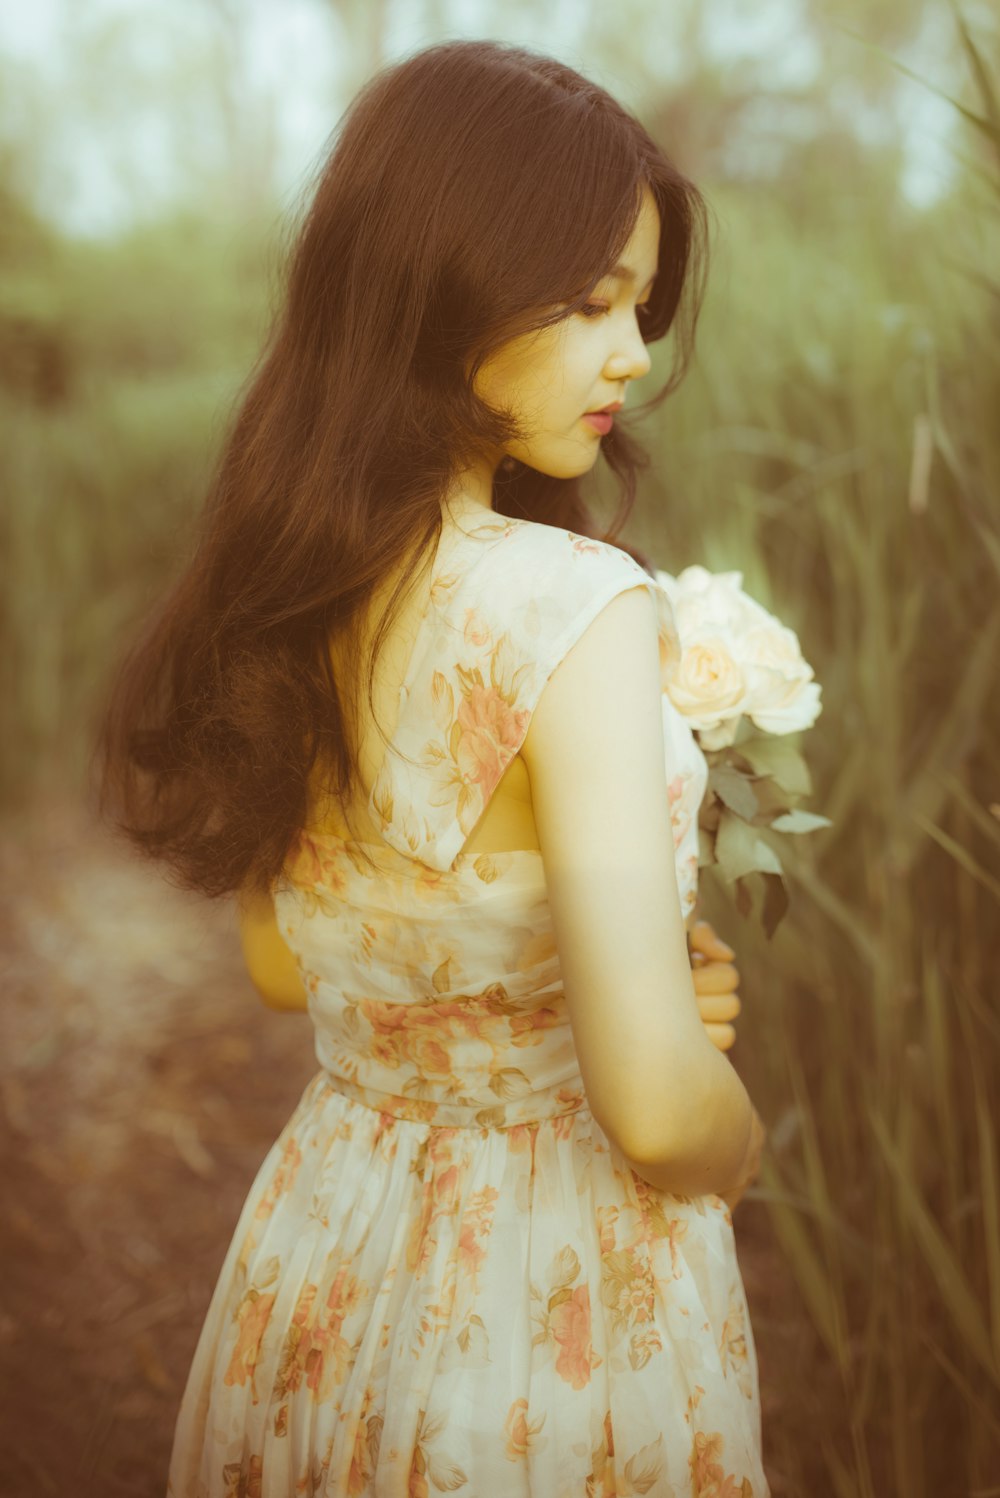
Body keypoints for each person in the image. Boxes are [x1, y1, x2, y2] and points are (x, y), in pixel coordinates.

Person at [94, 36, 768, 1497]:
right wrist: (737, 1141)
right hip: (544, 1292)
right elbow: (652, 1107)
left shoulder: (285, 587)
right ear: (440, 281)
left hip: (329, 1245)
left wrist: (616, 964)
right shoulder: (571, 608)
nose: (633, 353)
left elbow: (294, 969)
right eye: (589, 301)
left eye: (639, 306)